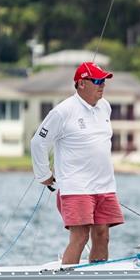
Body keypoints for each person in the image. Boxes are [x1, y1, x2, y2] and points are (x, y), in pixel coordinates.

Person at [31, 61, 124, 265]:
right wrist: (44, 176)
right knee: (80, 237)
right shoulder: (63, 111)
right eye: (97, 80)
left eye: (104, 81)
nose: (102, 85)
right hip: (76, 187)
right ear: (81, 83)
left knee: (102, 236)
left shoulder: (105, 107)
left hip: (105, 186)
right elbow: (38, 142)